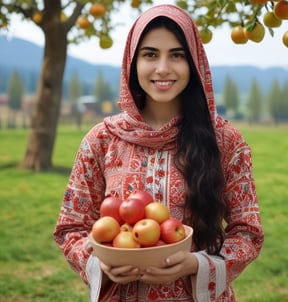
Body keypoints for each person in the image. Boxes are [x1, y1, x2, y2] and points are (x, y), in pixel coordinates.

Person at [53, 4, 264, 301]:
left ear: (194, 62)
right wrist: (99, 264)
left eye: (177, 55)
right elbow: (70, 227)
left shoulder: (226, 141)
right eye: (150, 54)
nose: (163, 68)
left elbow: (248, 232)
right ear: (132, 61)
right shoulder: (102, 140)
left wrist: (196, 264)